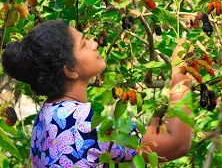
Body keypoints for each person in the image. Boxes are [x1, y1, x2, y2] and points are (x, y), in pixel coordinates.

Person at [1, 19, 193, 167]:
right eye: (83, 44)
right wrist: (180, 71)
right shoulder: (81, 122)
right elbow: (177, 143)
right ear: (69, 70)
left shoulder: (45, 117)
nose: (94, 44)